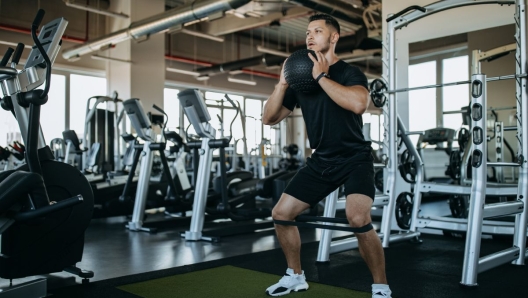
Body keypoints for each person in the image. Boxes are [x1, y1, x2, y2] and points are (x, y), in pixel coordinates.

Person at [261, 13, 392, 298]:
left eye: (317, 31)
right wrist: (283, 84)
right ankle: (295, 276)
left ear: (333, 38)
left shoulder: (348, 72)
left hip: (355, 158)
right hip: (321, 160)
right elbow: (269, 118)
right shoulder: (300, 80)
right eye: (308, 31)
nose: (309, 35)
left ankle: (381, 287)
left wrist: (321, 76)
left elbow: (359, 104)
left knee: (357, 217)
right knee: (281, 213)